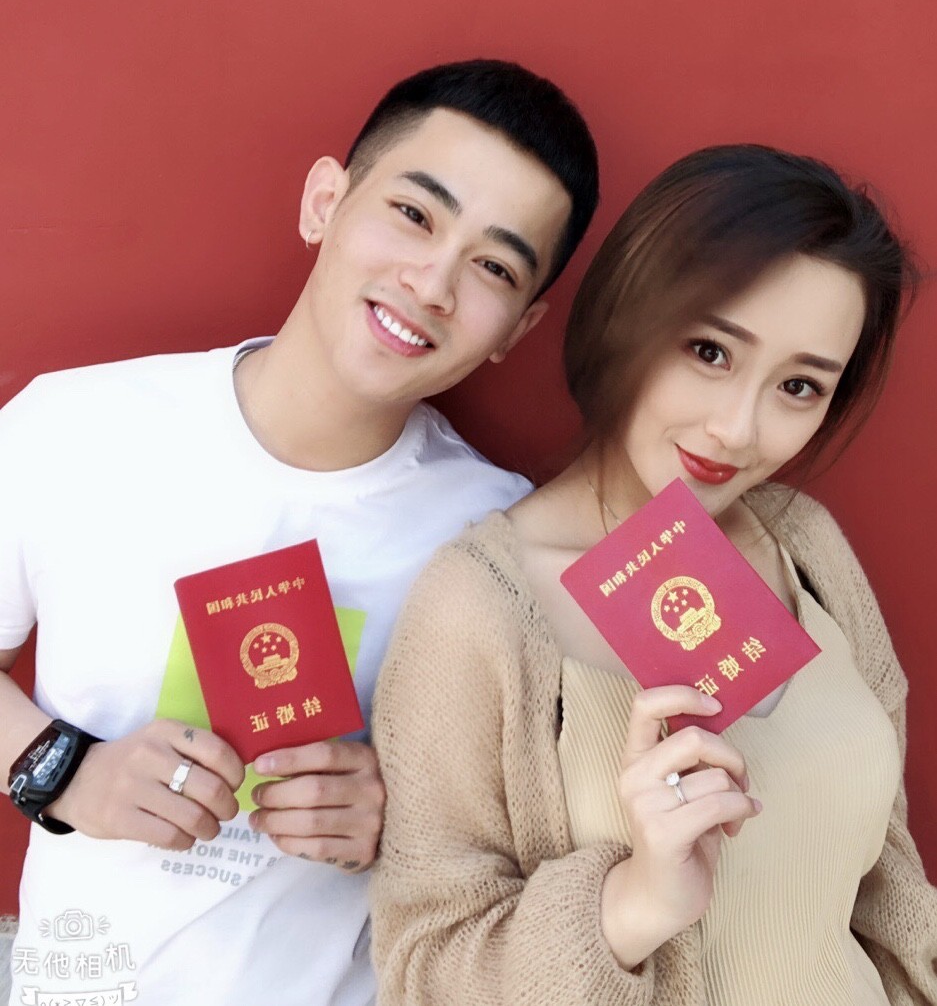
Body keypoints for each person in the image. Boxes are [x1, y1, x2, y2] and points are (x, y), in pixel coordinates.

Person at [0, 59, 600, 1006]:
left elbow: (534, 844)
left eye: (492, 266)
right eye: (414, 214)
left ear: (515, 330)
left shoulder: (502, 541)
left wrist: (399, 828)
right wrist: (66, 771)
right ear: (325, 201)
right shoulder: (71, 427)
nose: (432, 282)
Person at [371, 144, 937, 1005]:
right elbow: (424, 966)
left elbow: (892, 897)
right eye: (709, 351)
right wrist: (630, 904)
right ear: (625, 316)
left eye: (798, 387)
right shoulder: (479, 604)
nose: (736, 429)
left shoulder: (805, 546)